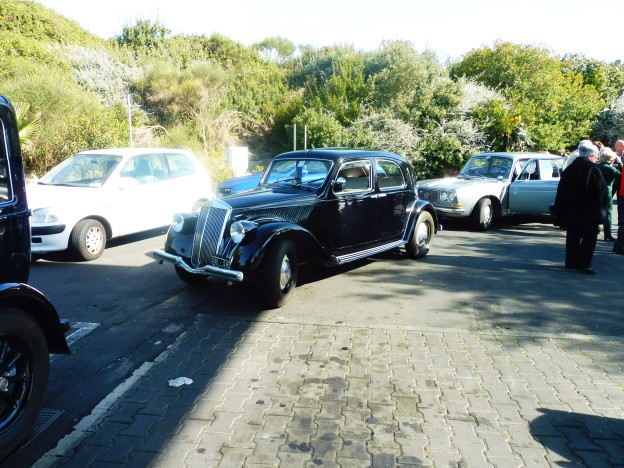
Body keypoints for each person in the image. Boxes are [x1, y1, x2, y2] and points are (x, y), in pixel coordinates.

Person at [553, 140, 609, 274]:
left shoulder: (569, 170)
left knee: (572, 236)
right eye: (596, 157)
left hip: (571, 211)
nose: (596, 160)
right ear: (590, 156)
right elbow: (601, 193)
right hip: (590, 212)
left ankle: (571, 261)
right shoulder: (594, 170)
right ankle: (584, 263)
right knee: (589, 238)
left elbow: (561, 193)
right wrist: (602, 213)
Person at [596, 148, 621, 241]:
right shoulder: (611, 168)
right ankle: (608, 234)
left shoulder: (596, 166)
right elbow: (620, 175)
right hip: (607, 191)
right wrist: (620, 164)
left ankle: (594, 230)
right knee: (608, 212)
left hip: (596, 190)